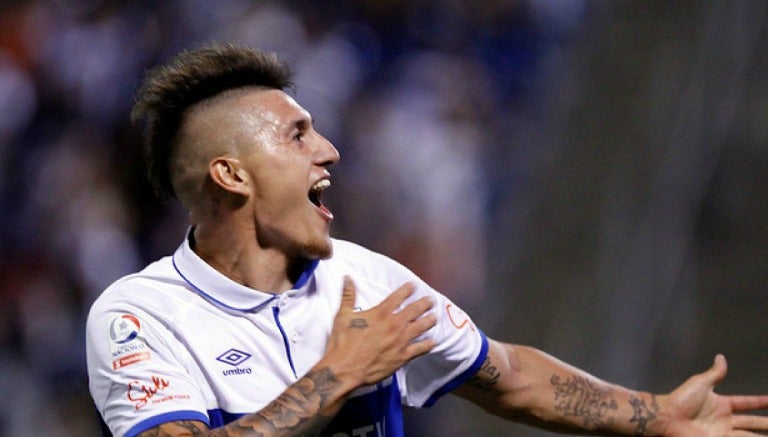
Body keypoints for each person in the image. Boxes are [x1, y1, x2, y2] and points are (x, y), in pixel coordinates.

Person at [85, 43, 768, 437]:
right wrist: (337, 377)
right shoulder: (139, 315)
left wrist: (654, 415)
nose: (329, 149)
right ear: (232, 174)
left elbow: (511, 377)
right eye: (297, 135)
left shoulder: (368, 282)